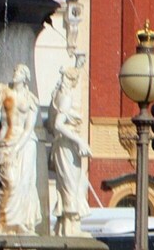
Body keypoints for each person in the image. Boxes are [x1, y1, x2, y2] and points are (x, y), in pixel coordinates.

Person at [0, 40, 42, 236]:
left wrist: (18, 147)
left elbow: (30, 128)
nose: (15, 73)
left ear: (26, 77)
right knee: (9, 182)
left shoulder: (31, 100)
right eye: (15, 70)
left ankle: (19, 223)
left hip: (25, 144)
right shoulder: (4, 90)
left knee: (24, 184)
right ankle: (3, 223)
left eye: (19, 72)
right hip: (6, 142)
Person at [48, 52, 92, 237]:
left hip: (64, 145)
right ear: (70, 81)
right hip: (67, 145)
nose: (76, 82)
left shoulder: (58, 95)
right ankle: (70, 230)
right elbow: (58, 124)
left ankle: (64, 227)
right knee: (72, 186)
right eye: (75, 79)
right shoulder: (65, 98)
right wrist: (79, 140)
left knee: (73, 184)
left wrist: (78, 63)